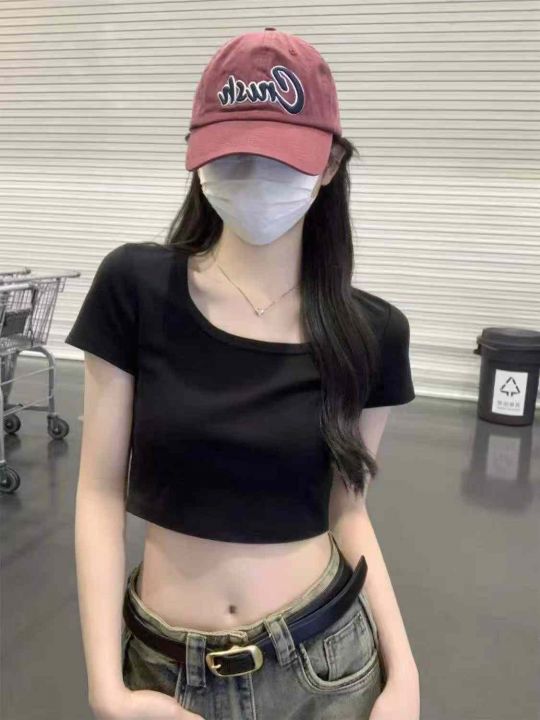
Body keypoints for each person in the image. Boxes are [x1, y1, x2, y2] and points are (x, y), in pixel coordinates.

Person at [65, 28, 420, 720]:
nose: (255, 176)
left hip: (326, 667)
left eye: (281, 158)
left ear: (329, 164)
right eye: (233, 154)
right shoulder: (134, 289)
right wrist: (106, 687)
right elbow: (99, 493)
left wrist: (403, 672)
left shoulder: (371, 333)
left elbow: (348, 512)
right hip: (165, 672)